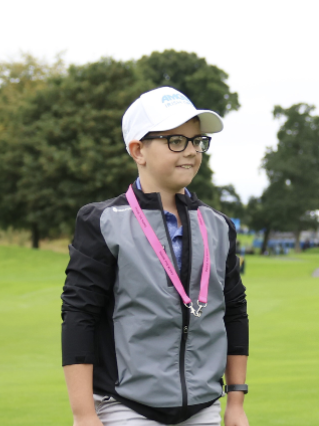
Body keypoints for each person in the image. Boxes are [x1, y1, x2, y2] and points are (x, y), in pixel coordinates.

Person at [61, 87, 250, 426]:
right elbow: (79, 315)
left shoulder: (218, 225)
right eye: (176, 140)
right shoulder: (103, 221)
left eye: (197, 141)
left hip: (203, 407)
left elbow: (234, 312)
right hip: (127, 407)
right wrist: (83, 413)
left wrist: (235, 402)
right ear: (138, 151)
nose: (191, 151)